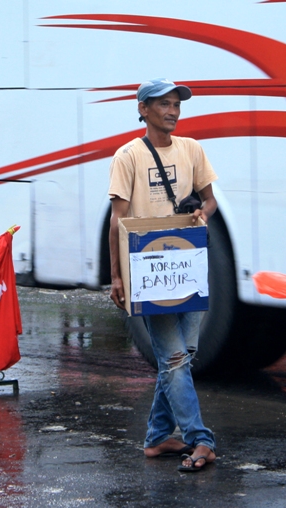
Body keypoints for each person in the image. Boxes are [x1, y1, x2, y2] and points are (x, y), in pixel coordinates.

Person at [108, 78, 218, 472]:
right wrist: (117, 277)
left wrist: (203, 211)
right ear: (143, 109)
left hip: (188, 265)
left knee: (182, 356)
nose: (173, 111)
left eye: (176, 105)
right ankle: (200, 439)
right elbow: (117, 219)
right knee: (174, 358)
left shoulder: (192, 150)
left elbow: (210, 199)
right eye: (164, 104)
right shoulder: (128, 156)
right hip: (148, 270)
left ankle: (156, 438)